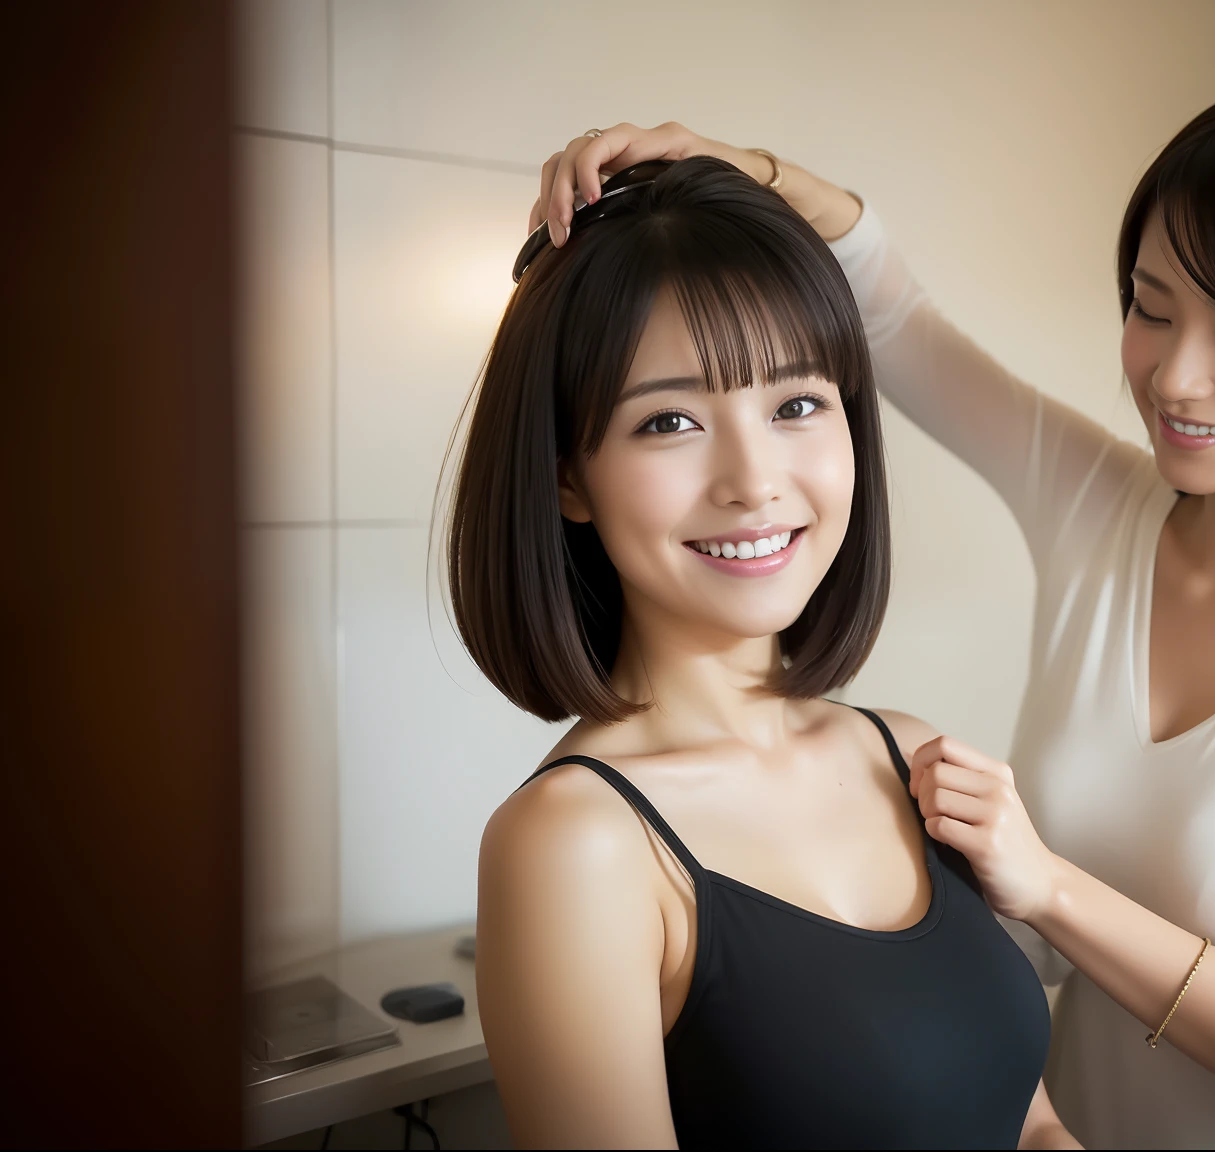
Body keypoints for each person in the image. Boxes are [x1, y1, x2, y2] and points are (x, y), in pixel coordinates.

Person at [531, 78, 1215, 1149]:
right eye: (1151, 306)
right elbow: (895, 315)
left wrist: (1049, 890)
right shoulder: (1099, 506)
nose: (1176, 377)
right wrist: (734, 176)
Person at [452, 155, 1073, 1149]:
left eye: (795, 405)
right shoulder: (576, 845)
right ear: (570, 476)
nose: (754, 481)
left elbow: (1031, 1129)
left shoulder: (908, 757)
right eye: (670, 421)